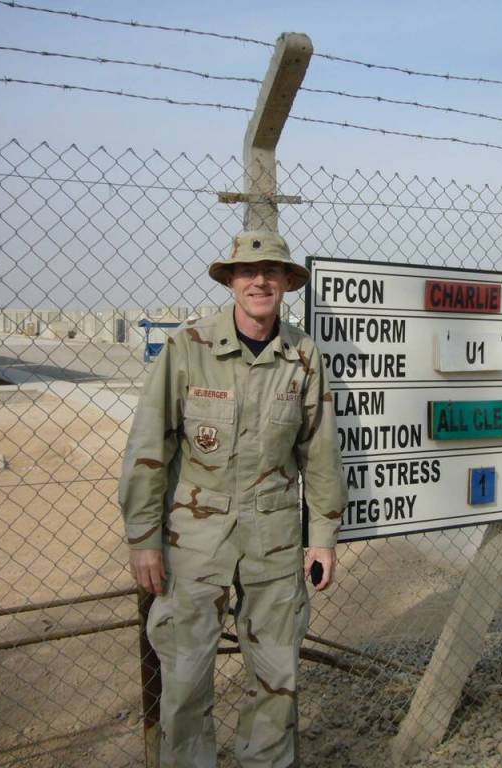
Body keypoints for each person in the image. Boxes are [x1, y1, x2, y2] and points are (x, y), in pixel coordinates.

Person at [119, 229, 346, 768]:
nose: (260, 280)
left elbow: (319, 452)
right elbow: (149, 447)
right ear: (232, 281)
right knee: (185, 680)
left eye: (272, 271)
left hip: (273, 539)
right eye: (248, 272)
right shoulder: (187, 348)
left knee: (276, 678)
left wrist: (323, 539)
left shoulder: (303, 355)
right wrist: (143, 539)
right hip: (193, 541)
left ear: (288, 283)